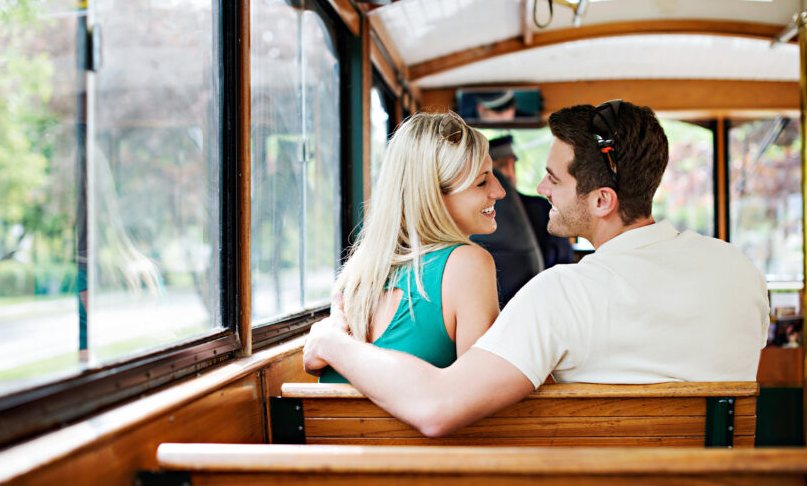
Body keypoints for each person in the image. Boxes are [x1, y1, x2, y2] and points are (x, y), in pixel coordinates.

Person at [303, 100, 770, 437]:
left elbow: (439, 406)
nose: (537, 188)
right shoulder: (741, 272)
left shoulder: (560, 294)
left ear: (602, 201)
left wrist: (331, 342)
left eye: (554, 178)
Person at [317, 111, 505, 382]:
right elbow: (481, 390)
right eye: (482, 182)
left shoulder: (355, 276)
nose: (500, 191)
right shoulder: (469, 264)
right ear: (432, 195)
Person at [471, 135, 573, 306]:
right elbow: (563, 263)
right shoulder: (543, 209)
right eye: (501, 167)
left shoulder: (465, 217)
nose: (509, 174)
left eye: (511, 166)